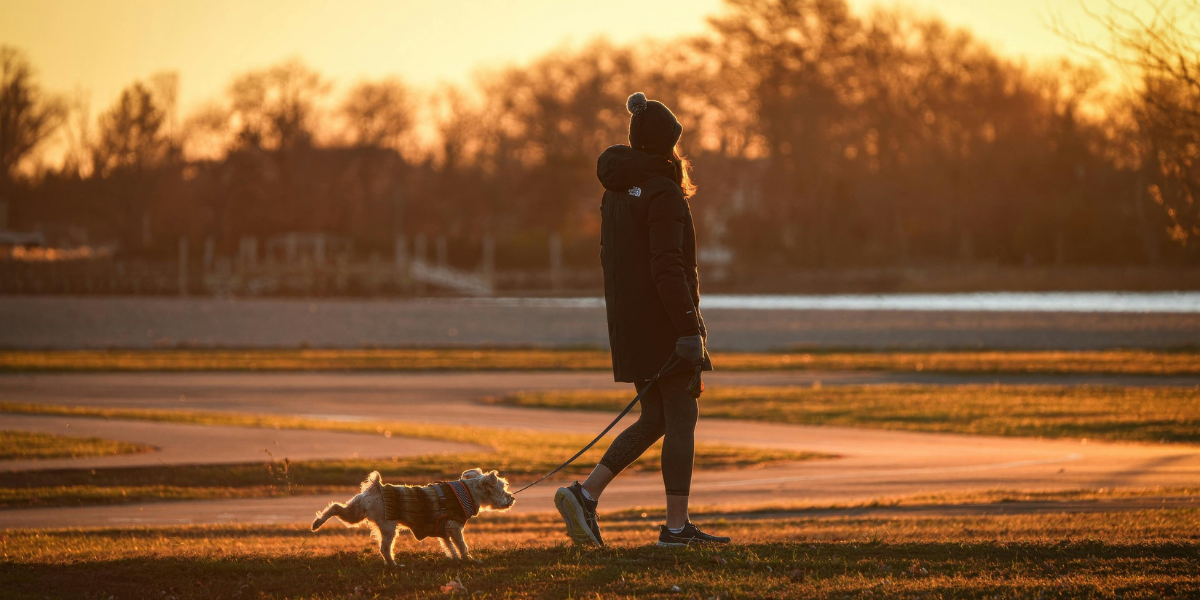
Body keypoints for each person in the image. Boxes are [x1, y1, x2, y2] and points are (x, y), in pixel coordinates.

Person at [554, 92, 729, 547]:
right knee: (681, 416)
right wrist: (690, 331)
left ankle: (585, 494)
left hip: (629, 327)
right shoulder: (663, 192)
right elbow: (667, 267)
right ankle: (675, 529)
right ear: (666, 145)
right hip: (665, 327)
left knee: (654, 418)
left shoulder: (616, 190)